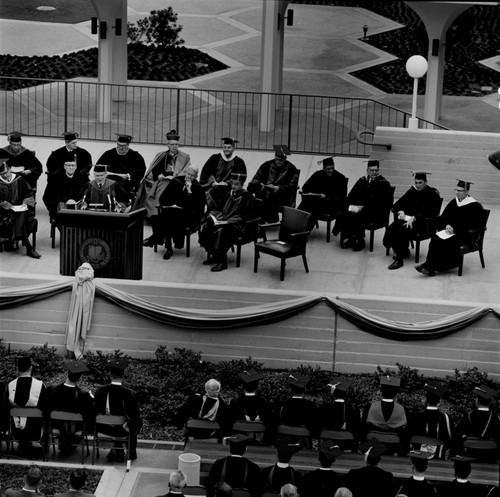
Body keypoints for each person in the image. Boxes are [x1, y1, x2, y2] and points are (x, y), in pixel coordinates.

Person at [415, 179, 485, 276]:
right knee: (435, 238)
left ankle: (433, 266)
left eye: (461, 191)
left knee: (446, 242)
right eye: (457, 190)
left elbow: (474, 225)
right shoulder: (454, 202)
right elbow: (444, 217)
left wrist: (455, 229)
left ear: (467, 191)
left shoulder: (475, 206)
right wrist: (447, 225)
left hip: (465, 235)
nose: (458, 193)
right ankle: (429, 265)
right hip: (450, 232)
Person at [199, 172, 258, 272]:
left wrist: (229, 221)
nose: (234, 186)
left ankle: (222, 262)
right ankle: (215, 255)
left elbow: (247, 215)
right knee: (207, 226)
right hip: (225, 222)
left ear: (242, 185)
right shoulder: (228, 194)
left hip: (241, 227)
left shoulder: (247, 197)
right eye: (232, 184)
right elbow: (219, 207)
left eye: (237, 184)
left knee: (222, 231)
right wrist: (215, 217)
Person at [144, 166, 206, 260]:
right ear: (185, 172)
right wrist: (172, 204)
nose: (189, 177)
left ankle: (154, 239)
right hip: (172, 212)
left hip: (188, 216)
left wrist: (189, 191)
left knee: (166, 220)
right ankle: (168, 248)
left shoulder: (198, 188)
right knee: (165, 218)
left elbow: (197, 208)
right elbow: (163, 198)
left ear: (196, 176)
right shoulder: (176, 181)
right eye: (188, 174)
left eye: (192, 175)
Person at [383, 171, 441, 270]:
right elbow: (398, 204)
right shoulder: (412, 191)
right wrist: (401, 211)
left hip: (423, 224)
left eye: (420, 183)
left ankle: (399, 259)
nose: (418, 185)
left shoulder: (432, 193)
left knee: (402, 230)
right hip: (407, 220)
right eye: (416, 183)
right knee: (392, 228)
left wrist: (415, 218)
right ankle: (404, 251)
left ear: (426, 182)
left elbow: (432, 211)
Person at [333, 159, 393, 251]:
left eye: (376, 170)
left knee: (358, 215)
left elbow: (383, 203)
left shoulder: (383, 184)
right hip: (359, 208)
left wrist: (364, 207)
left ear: (378, 170)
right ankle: (351, 238)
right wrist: (353, 206)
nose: (374, 172)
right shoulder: (362, 180)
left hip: (375, 212)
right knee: (345, 211)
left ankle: (360, 240)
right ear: (367, 170)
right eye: (372, 170)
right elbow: (351, 195)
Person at [93, 358, 142, 462]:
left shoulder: (100, 391)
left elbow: (95, 410)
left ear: (110, 374)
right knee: (136, 421)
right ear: (123, 375)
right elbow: (135, 416)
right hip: (122, 430)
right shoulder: (129, 393)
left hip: (103, 428)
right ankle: (128, 449)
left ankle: (116, 447)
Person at [135, 129, 191, 219]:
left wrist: (174, 177)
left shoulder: (185, 157)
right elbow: (154, 169)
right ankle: (155, 215)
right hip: (161, 180)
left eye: (176, 144)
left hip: (177, 182)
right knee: (160, 187)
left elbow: (186, 170)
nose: (174, 147)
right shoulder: (161, 155)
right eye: (172, 145)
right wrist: (159, 175)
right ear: (168, 145)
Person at [3, 356, 49, 457]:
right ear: (31, 368)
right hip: (35, 432)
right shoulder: (40, 386)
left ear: (17, 369)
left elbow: (6, 408)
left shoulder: (10, 386)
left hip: (16, 431)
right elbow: (46, 409)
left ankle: (22, 445)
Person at [48, 360, 94, 456]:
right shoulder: (84, 395)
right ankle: (69, 443)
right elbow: (88, 414)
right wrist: (91, 398)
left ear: (67, 374)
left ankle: (64, 442)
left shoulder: (53, 390)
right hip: (75, 429)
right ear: (79, 378)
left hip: (57, 426)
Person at [248, 145, 300, 223]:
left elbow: (292, 185)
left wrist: (279, 188)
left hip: (281, 195)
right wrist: (261, 184)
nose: (278, 162)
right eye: (276, 159)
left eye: (280, 160)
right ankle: (258, 220)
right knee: (251, 193)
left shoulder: (292, 168)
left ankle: (263, 220)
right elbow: (256, 178)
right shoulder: (267, 165)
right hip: (264, 191)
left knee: (269, 198)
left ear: (285, 158)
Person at [0, 159, 40, 258]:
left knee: (21, 214)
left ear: (10, 169)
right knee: (20, 217)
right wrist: (1, 204)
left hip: (20, 209)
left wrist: (25, 204)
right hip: (3, 212)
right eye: (2, 174)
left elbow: (29, 194)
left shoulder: (20, 179)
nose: (4, 175)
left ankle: (11, 239)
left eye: (6, 172)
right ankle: (28, 247)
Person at [297, 157, 348, 231]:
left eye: (332, 168)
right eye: (328, 169)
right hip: (316, 201)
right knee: (304, 205)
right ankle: (295, 227)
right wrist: (313, 193)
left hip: (331, 204)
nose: (331, 171)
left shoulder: (340, 178)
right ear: (323, 168)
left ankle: (304, 231)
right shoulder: (317, 174)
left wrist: (327, 196)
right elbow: (306, 187)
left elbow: (342, 196)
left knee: (313, 208)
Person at [453, 384, 500, 462]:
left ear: (477, 401)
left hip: (470, 452)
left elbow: (457, 434)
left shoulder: (469, 415)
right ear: (490, 402)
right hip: (490, 454)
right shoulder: (496, 418)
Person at [362, 376, 407, 455]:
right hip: (393, 443)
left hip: (373, 441)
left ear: (381, 391)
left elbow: (364, 425)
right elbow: (403, 430)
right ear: (396, 393)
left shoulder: (370, 407)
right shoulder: (402, 409)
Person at [407, 382, 452, 459]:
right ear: (439, 401)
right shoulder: (446, 418)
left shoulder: (416, 417)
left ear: (426, 400)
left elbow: (408, 436)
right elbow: (449, 438)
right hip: (438, 454)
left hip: (417, 454)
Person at [200, 137, 247, 211]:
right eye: (224, 147)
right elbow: (205, 172)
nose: (226, 149)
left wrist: (227, 183)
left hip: (229, 187)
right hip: (213, 185)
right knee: (210, 191)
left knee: (219, 193)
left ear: (233, 148)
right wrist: (213, 182)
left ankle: (217, 213)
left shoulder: (239, 161)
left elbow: (241, 177)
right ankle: (210, 213)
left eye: (229, 147)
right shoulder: (215, 158)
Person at [96, 134, 146, 201]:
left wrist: (128, 175)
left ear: (128, 145)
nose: (121, 148)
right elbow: (98, 168)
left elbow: (141, 170)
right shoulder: (108, 154)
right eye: (119, 145)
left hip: (127, 183)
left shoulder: (135, 156)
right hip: (109, 181)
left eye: (123, 146)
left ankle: (122, 204)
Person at [318, 377, 360, 451]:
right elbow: (356, 427)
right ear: (346, 393)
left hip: (328, 439)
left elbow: (320, 425)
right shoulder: (352, 408)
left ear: (333, 393)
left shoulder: (325, 407)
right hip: (346, 442)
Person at [230, 369, 272, 442]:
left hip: (241, 436)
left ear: (243, 386)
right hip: (259, 437)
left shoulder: (237, 401)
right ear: (257, 386)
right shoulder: (262, 401)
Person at [278, 374, 316, 444]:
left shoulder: (285, 403)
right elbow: (312, 421)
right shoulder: (310, 404)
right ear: (305, 389)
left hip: (286, 430)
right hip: (303, 430)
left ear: (291, 389)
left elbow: (281, 417)